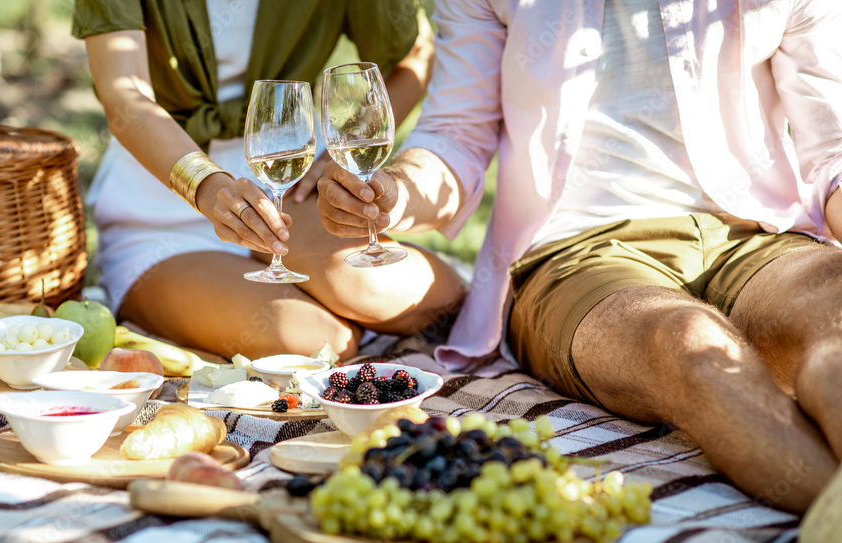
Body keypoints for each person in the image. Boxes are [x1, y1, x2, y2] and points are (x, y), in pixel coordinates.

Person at [317, 0, 842, 513]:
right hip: (577, 253)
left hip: (758, 235)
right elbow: (456, 133)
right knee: (687, 345)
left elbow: (833, 151)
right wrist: (397, 193)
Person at [71, 0, 466, 362]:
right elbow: (123, 92)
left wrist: (335, 152)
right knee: (316, 342)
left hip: (289, 186)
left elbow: (413, 55)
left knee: (432, 300)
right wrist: (207, 185)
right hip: (160, 207)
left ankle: (325, 290)